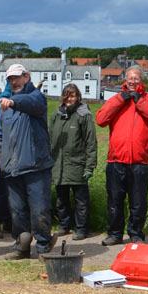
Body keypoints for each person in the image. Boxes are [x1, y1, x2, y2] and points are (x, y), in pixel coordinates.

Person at [95, 65, 148, 246]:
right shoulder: (116, 99)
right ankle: (115, 234)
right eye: (130, 79)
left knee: (138, 202)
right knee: (114, 200)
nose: (133, 82)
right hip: (116, 160)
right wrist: (120, 100)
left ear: (142, 81)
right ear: (125, 80)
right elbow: (100, 120)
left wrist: (139, 102)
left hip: (139, 161)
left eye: (137, 79)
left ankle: (135, 234)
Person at [0, 64, 54, 259]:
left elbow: (31, 103)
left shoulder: (35, 97)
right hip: (12, 168)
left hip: (36, 166)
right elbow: (0, 135)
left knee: (40, 209)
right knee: (17, 211)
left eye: (17, 78)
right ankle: (22, 246)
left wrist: (13, 102)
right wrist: (2, 161)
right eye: (10, 79)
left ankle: (44, 246)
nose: (14, 82)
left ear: (26, 77)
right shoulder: (6, 106)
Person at [49, 83, 98, 240]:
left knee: (81, 201)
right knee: (61, 200)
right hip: (59, 165)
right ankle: (64, 226)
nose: (70, 99)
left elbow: (91, 142)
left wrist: (90, 166)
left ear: (78, 97)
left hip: (77, 164)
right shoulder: (56, 115)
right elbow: (49, 140)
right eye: (67, 95)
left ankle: (82, 229)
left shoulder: (84, 115)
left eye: (73, 95)